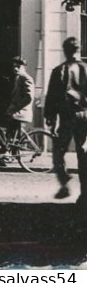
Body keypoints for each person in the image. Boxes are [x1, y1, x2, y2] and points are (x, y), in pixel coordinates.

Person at [44, 35, 87, 201]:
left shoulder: (59, 71)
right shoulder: (86, 68)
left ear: (65, 51)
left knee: (58, 151)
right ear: (78, 49)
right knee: (83, 155)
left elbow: (52, 97)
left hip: (67, 117)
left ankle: (64, 182)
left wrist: (50, 118)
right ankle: (85, 195)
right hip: (84, 116)